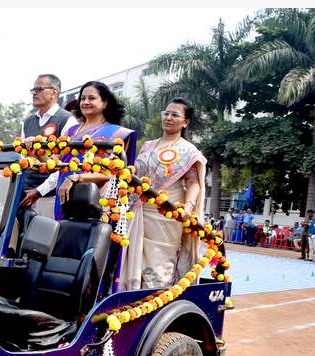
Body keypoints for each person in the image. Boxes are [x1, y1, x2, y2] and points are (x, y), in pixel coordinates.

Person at [120, 97, 205, 291]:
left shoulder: (188, 150)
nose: (168, 117)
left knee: (158, 263)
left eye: (175, 115)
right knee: (132, 259)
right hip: (138, 210)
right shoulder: (148, 145)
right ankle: (130, 300)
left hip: (166, 214)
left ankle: (156, 300)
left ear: (185, 122)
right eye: (166, 113)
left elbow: (193, 182)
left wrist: (188, 208)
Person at [54, 81, 137, 220]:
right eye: (82, 98)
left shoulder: (118, 133)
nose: (86, 102)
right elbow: (53, 163)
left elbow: (112, 172)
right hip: (64, 193)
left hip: (96, 200)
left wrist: (76, 178)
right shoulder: (71, 131)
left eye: (91, 98)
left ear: (105, 103)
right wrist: (32, 148)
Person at [18, 74, 73, 218]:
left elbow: (64, 165)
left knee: (45, 237)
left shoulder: (67, 120)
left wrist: (39, 191)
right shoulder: (28, 122)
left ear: (54, 92)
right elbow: (23, 158)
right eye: (33, 89)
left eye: (39, 88)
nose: (35, 93)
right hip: (24, 194)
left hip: (49, 197)